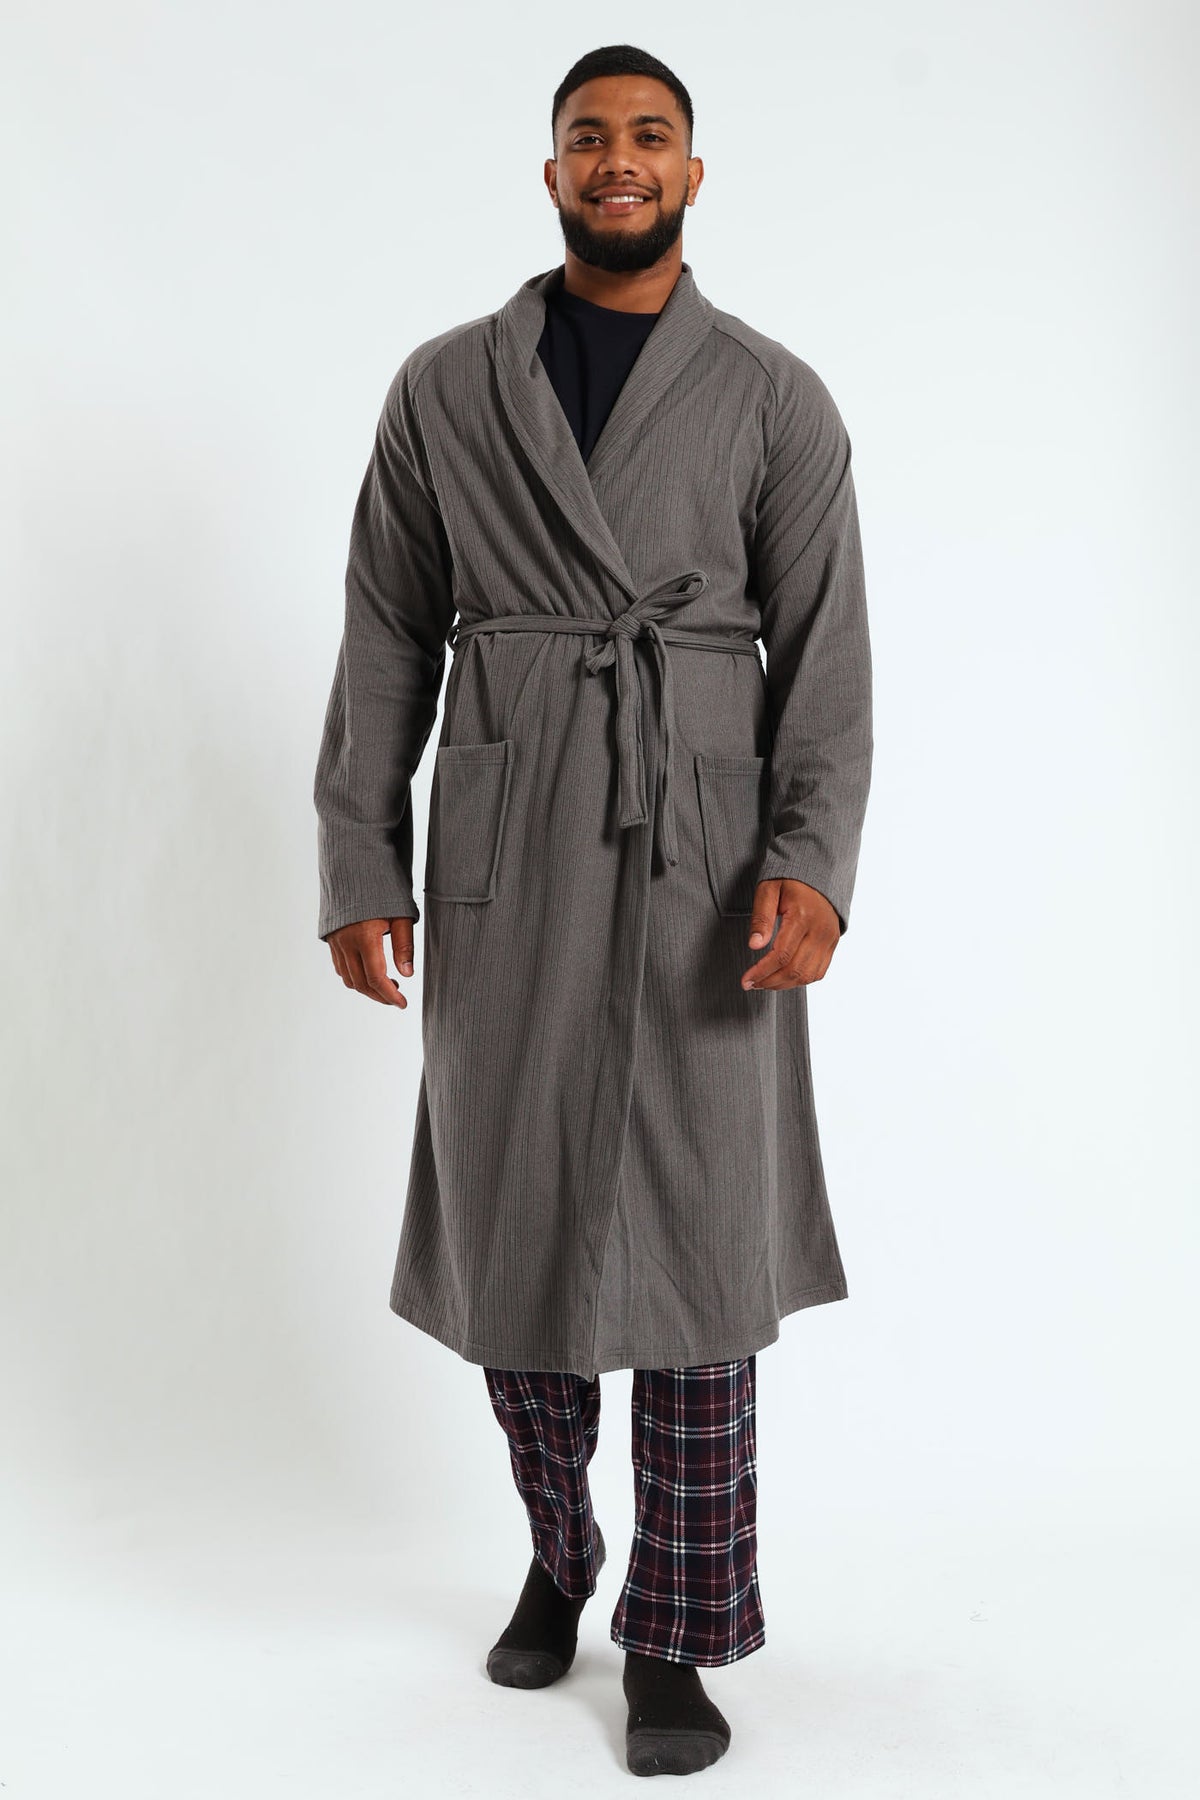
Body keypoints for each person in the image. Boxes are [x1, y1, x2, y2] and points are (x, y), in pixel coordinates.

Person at [313, 42, 873, 1779]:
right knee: (521, 1216)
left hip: (703, 847)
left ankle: (677, 1632)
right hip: (515, 827)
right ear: (549, 172)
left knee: (698, 1239)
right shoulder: (445, 388)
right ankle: (564, 1551)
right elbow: (388, 628)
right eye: (587, 137)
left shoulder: (775, 398)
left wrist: (812, 860)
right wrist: (360, 855)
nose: (617, 159)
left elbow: (828, 658)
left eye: (650, 136)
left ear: (693, 173)